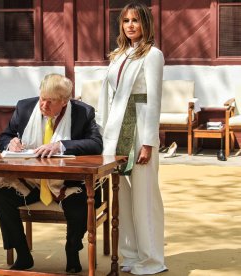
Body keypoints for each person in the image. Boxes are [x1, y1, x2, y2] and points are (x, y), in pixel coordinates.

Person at [0, 73, 103, 273]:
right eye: (42, 98)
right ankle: (23, 255)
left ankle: (72, 248)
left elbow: (96, 144)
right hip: (31, 181)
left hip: (67, 182)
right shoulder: (25, 107)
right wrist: (10, 142)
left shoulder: (83, 112)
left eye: (50, 102)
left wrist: (61, 146)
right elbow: (5, 135)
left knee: (82, 203)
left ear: (65, 101)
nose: (43, 105)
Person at [96, 2, 167, 275]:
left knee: (145, 196)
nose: (130, 25)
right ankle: (131, 255)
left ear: (145, 24)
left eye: (135, 20)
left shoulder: (153, 55)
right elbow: (110, 96)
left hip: (139, 129)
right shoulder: (119, 55)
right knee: (123, 195)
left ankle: (152, 260)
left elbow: (153, 100)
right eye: (126, 21)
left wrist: (148, 142)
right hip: (117, 130)